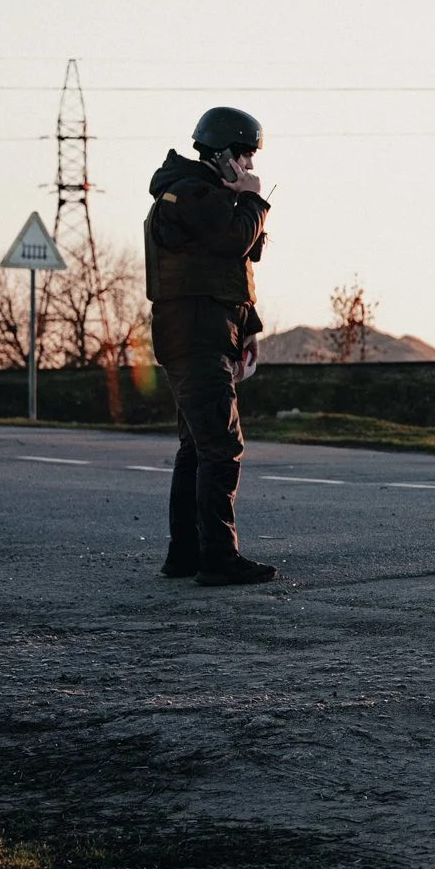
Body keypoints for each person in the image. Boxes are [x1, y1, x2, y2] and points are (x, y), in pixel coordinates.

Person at [145, 106, 277, 586]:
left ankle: (186, 555)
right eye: (244, 156)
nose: (249, 167)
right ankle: (217, 559)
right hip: (195, 336)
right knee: (221, 446)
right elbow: (233, 241)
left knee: (198, 448)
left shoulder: (204, 194)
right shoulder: (189, 193)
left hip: (208, 332)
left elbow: (231, 267)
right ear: (222, 153)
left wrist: (249, 326)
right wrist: (254, 202)